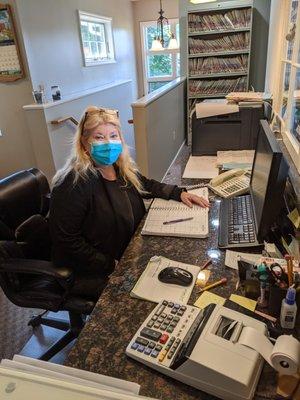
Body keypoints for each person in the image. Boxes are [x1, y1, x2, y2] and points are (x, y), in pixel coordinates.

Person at [49, 106, 209, 299]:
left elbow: (145, 184)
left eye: (113, 136)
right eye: (99, 137)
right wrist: (111, 264)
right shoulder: (73, 183)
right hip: (92, 270)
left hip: (126, 252)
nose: (108, 143)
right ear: (84, 144)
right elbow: (67, 242)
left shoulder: (117, 167)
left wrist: (178, 193)